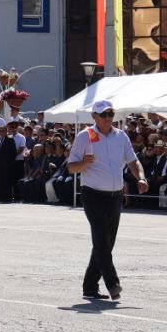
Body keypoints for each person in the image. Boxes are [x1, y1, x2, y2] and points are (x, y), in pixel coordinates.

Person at [66, 100, 148, 301]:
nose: (108, 117)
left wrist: (141, 177)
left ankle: (89, 286)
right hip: (92, 193)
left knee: (106, 243)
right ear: (94, 116)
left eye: (110, 113)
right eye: (103, 114)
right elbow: (71, 167)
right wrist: (84, 163)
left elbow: (132, 160)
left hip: (115, 195)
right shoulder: (85, 136)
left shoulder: (121, 136)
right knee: (101, 240)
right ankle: (113, 284)